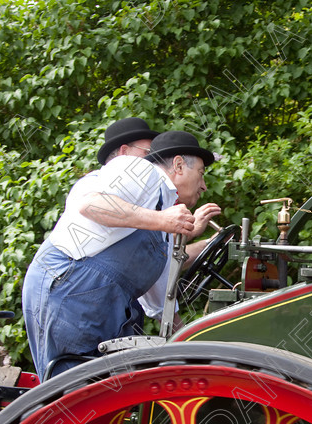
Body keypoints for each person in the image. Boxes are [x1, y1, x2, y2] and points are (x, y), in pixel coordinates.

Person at [22, 119, 221, 379]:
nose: (204, 185)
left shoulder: (159, 210)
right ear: (179, 165)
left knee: (105, 397)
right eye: (202, 173)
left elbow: (160, 297)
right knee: (74, 393)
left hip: (102, 302)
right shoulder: (141, 169)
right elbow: (91, 204)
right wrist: (163, 221)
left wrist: (187, 340)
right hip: (71, 290)